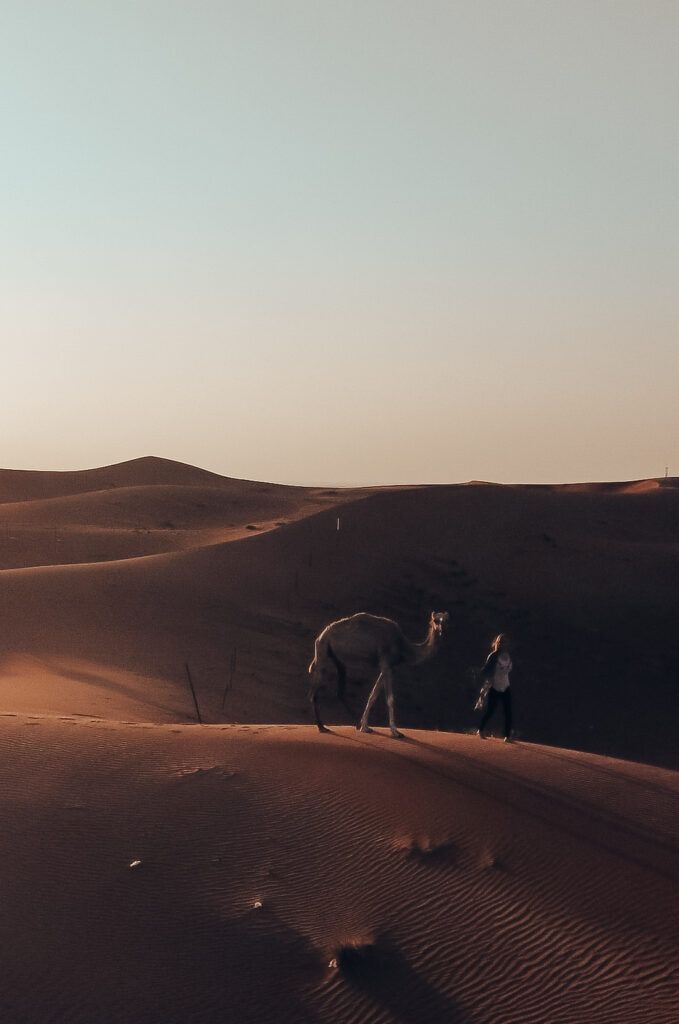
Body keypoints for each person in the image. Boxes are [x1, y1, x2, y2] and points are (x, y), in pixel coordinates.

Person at [475, 634, 513, 741]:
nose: (503, 645)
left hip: (505, 685)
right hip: (494, 685)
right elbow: (486, 670)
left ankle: (507, 735)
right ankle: (481, 729)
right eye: (501, 643)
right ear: (498, 644)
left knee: (507, 710)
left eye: (505, 643)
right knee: (491, 710)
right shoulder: (493, 656)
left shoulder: (508, 656)